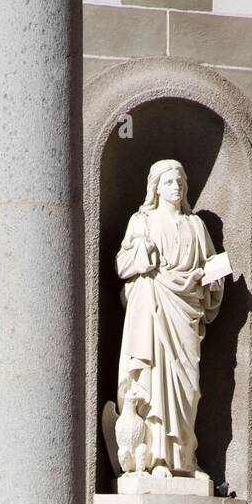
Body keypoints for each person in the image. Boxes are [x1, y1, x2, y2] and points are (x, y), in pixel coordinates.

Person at [105, 158, 226, 479]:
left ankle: (185, 460)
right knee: (154, 382)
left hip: (185, 313)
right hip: (153, 312)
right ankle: (157, 458)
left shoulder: (196, 226)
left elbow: (213, 272)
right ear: (155, 187)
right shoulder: (141, 222)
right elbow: (122, 265)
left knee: (188, 389)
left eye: (180, 183)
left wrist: (211, 280)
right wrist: (142, 255)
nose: (176, 187)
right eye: (170, 182)